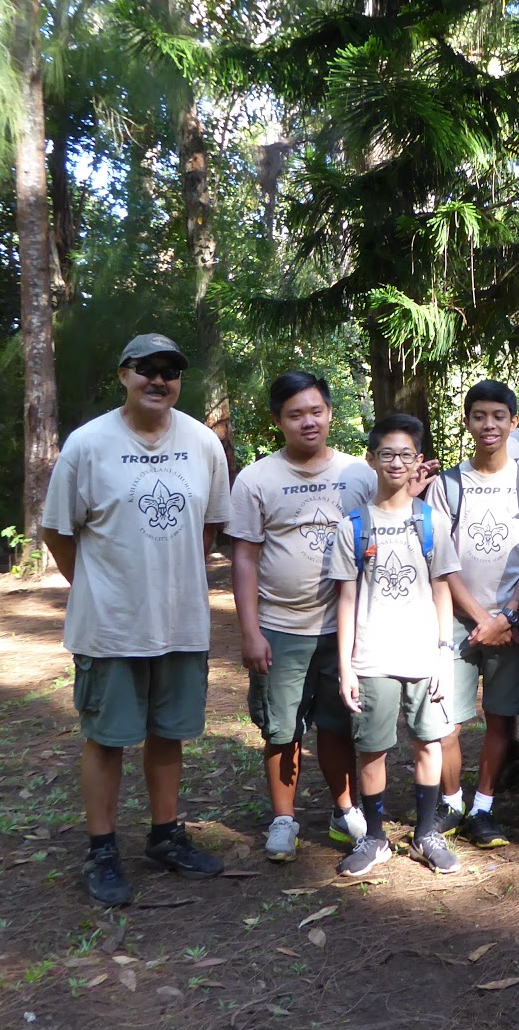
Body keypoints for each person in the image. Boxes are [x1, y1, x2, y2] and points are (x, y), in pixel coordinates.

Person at [40, 333, 231, 907]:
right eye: (145, 369)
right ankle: (101, 850)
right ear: (123, 375)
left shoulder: (202, 443)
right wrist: (98, 588)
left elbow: (210, 526)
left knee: (168, 732)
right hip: (110, 625)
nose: (158, 379)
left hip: (180, 622)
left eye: (170, 370)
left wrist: (169, 581)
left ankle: (165, 836)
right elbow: (57, 530)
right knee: (107, 737)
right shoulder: (89, 444)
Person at [229, 372, 379, 863]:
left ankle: (344, 811)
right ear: (278, 422)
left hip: (344, 628)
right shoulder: (256, 479)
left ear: (331, 413)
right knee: (282, 727)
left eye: (316, 410)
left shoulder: (360, 474)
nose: (308, 421)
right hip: (280, 626)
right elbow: (245, 557)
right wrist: (250, 630)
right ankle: (283, 819)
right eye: (295, 414)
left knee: (338, 724)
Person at [327, 414, 463, 875]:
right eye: (387, 453)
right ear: (371, 459)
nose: (397, 462)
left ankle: (426, 834)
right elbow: (346, 598)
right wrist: (346, 666)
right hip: (372, 655)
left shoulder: (432, 522)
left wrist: (445, 654)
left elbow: (443, 589)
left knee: (429, 743)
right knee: (373, 749)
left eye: (407, 454)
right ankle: (376, 838)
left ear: (418, 461)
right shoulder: (353, 526)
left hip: (424, 654)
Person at [430, 380, 519, 848]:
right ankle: (451, 802)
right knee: (447, 721)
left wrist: (507, 616)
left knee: (502, 718)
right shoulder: (448, 484)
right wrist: (483, 618)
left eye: (499, 416)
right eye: (479, 416)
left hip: (513, 624)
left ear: (513, 422)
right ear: (467, 422)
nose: (489, 425)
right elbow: (443, 562)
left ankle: (483, 807)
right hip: (459, 622)